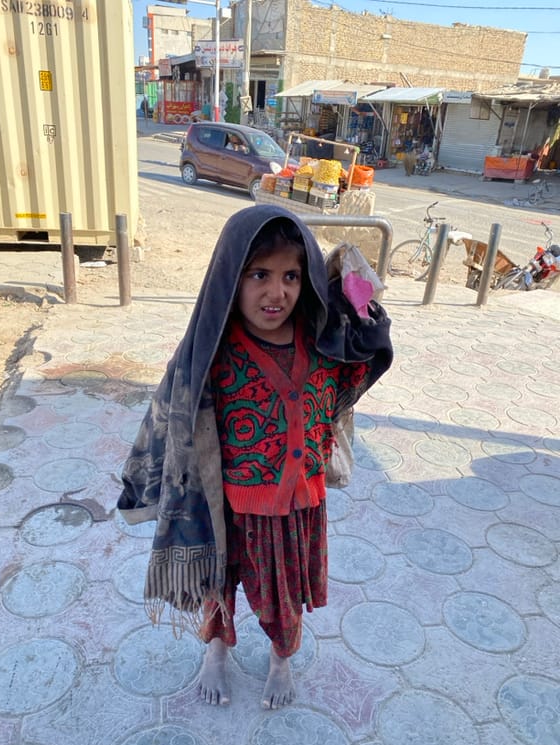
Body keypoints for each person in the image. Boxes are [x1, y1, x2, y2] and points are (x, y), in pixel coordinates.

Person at [117, 205, 393, 710]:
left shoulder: (321, 343)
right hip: (228, 511)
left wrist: (369, 328)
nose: (277, 292)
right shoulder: (212, 352)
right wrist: (143, 486)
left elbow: (352, 384)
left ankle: (280, 661)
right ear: (229, 277)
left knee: (284, 599)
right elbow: (170, 418)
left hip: (297, 510)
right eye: (259, 274)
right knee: (218, 587)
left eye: (291, 275)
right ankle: (216, 653)